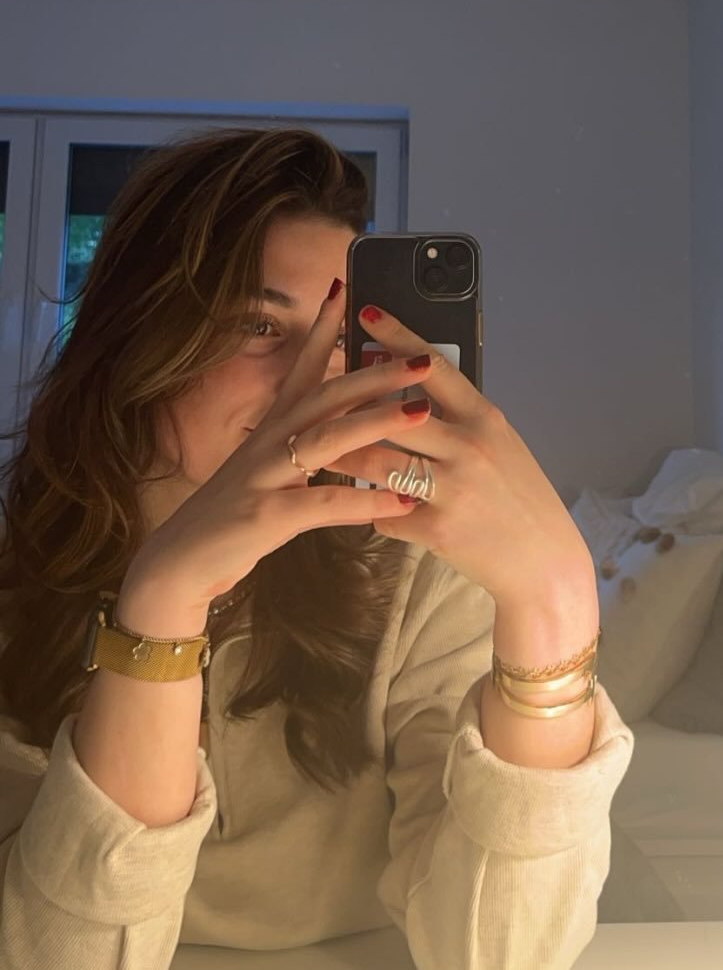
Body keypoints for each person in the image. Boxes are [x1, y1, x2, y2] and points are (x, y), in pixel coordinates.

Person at [0, 127, 635, 969]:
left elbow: (500, 953)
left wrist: (557, 599)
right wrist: (160, 608)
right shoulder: (18, 581)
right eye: (261, 325)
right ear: (139, 339)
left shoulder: (416, 571)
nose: (313, 383)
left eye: (340, 341)